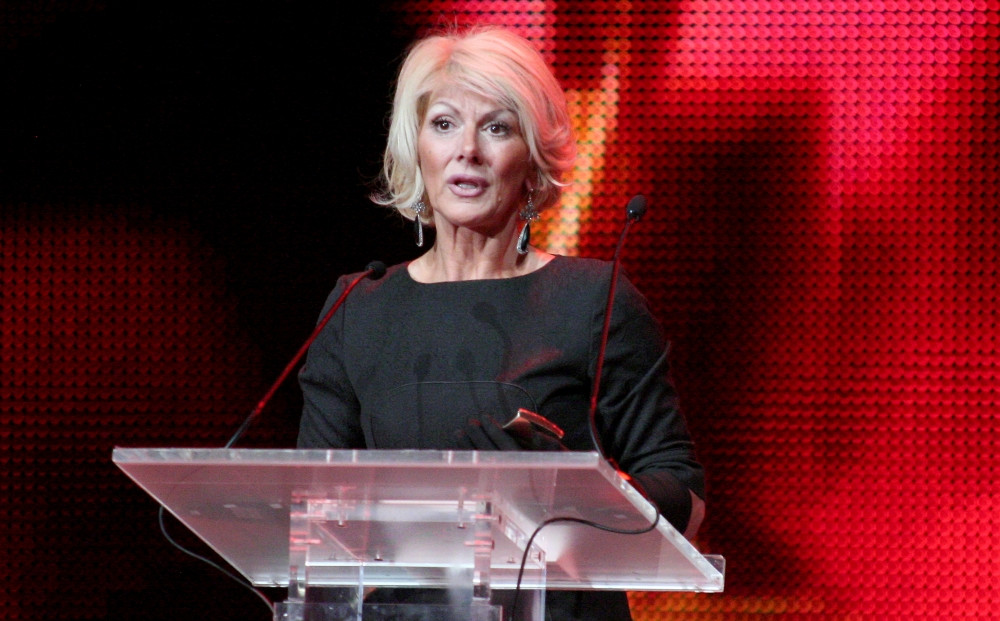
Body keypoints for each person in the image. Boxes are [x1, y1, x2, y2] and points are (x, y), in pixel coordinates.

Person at [297, 26, 705, 621]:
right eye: (444, 124)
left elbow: (684, 498)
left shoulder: (592, 300)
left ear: (532, 163)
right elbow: (314, 513)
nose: (467, 149)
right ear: (417, 149)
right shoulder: (357, 306)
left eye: (497, 128)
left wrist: (571, 489)